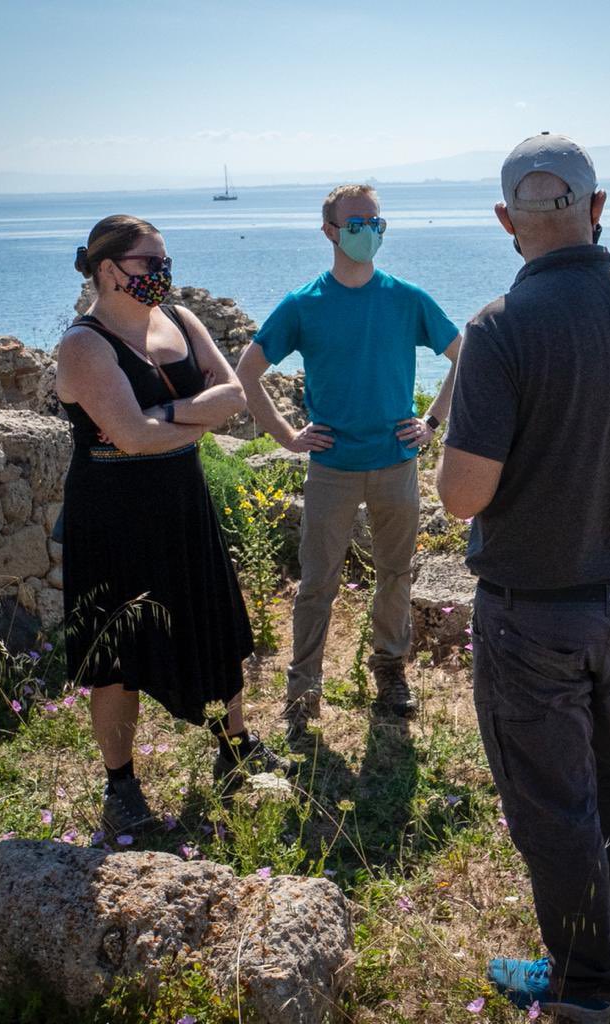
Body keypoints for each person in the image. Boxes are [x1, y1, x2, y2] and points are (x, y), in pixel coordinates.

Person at [438, 134, 610, 1021]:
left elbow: (461, 495)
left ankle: (583, 985)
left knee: (552, 803)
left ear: (507, 221)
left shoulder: (497, 329)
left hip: (534, 612)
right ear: (596, 213)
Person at [56, 214, 289, 835]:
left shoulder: (183, 321)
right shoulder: (84, 345)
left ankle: (234, 749)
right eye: (148, 265)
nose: (162, 275)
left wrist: (162, 412)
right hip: (111, 515)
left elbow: (234, 395)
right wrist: (181, 417)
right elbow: (128, 438)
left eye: (165, 263)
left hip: (182, 498)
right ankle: (122, 785)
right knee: (117, 649)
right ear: (108, 270)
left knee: (211, 618)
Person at [236, 184, 461, 738]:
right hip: (331, 467)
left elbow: (466, 355)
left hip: (395, 463)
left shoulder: (406, 298)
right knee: (317, 583)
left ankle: (389, 672)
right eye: (356, 223)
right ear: (330, 231)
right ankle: (303, 690)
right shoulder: (304, 303)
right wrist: (289, 436)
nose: (368, 232)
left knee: (395, 574)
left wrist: (431, 423)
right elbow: (246, 373)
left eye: (376, 222)